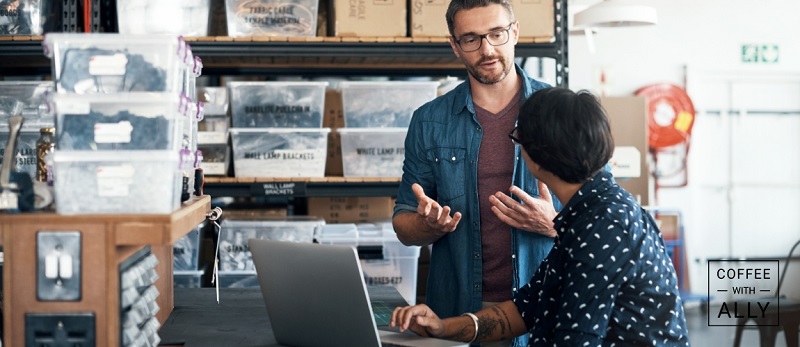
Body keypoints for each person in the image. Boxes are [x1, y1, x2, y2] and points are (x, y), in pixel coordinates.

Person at [390, 87, 691, 346]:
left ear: (534, 156)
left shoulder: (604, 227)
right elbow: (526, 308)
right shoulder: (588, 214)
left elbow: (576, 339)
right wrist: (444, 327)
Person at [391, 0, 560, 345]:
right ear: (455, 46)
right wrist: (428, 225)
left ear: (514, 32)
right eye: (470, 39)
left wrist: (553, 224)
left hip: (544, 309)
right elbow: (404, 227)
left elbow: (607, 220)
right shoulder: (429, 121)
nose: (486, 49)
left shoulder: (561, 111)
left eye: (496, 34)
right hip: (456, 314)